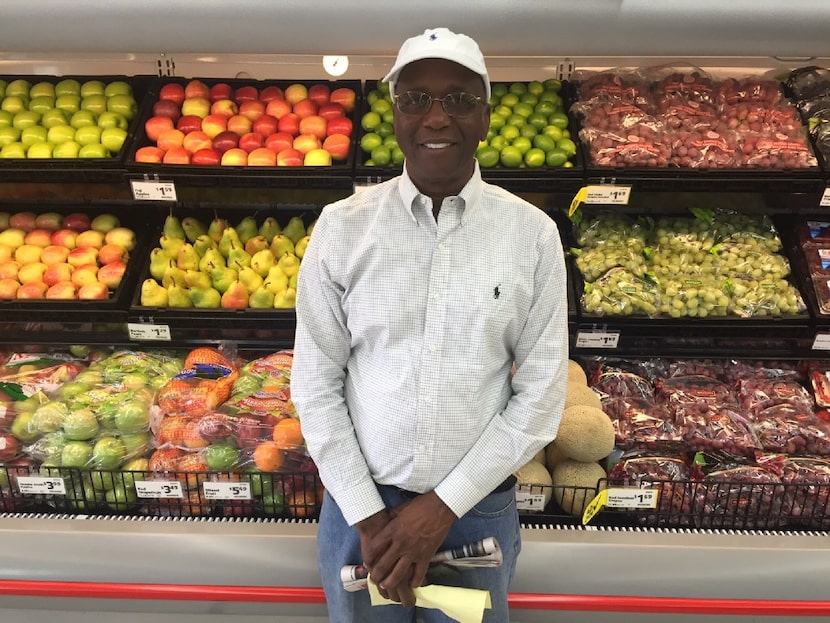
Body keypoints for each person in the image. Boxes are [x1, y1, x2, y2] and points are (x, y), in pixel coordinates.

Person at [290, 26, 569, 622]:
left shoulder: (532, 235)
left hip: (475, 508)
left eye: (459, 99)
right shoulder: (342, 228)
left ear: (487, 114)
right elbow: (315, 383)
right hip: (360, 511)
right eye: (416, 99)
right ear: (394, 113)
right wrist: (369, 517)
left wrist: (439, 508)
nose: (436, 118)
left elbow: (542, 396)